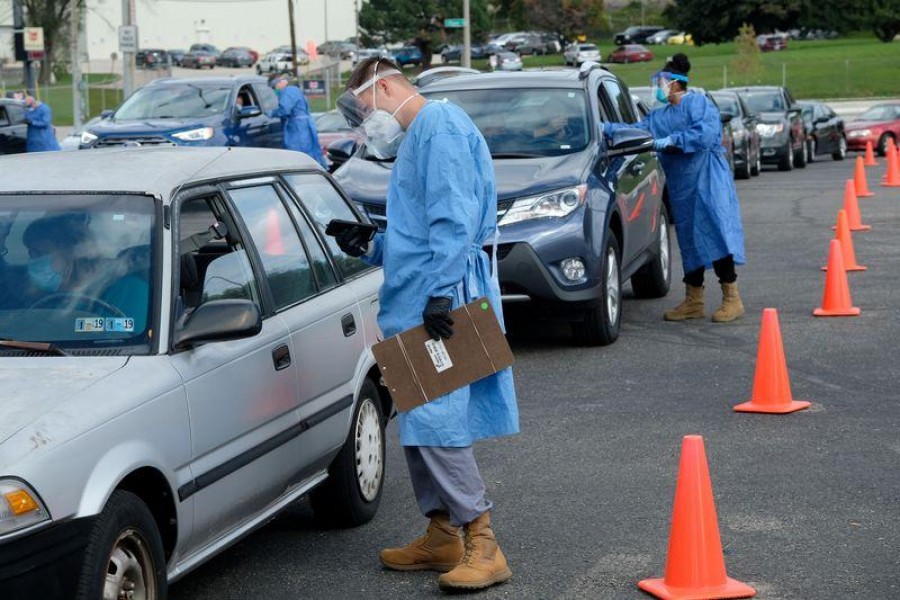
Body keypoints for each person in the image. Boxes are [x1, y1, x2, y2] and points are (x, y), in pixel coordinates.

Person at [335, 57, 519, 592]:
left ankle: (483, 542)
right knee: (419, 421)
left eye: (365, 109)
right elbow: (418, 233)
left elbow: (453, 219)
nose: (366, 123)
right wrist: (371, 242)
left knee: (438, 423)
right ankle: (442, 533)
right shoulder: (422, 136)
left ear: (387, 86)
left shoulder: (438, 125)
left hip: (438, 302)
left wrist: (440, 292)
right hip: (420, 295)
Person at [603, 53, 746, 323]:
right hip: (682, 186)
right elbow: (637, 130)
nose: (658, 87)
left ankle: (732, 297)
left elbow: (706, 134)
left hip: (707, 180)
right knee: (689, 240)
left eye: (662, 82)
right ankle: (694, 299)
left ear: (675, 83)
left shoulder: (699, 104)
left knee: (714, 232)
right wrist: (606, 129)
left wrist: (672, 141)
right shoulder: (660, 116)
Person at [266, 75, 326, 168]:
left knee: (299, 154)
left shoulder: (289, 91)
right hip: (302, 126)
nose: (275, 90)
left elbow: (284, 109)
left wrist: (271, 113)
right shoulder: (294, 90)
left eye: (274, 87)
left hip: (298, 128)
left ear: (280, 82)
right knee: (309, 152)